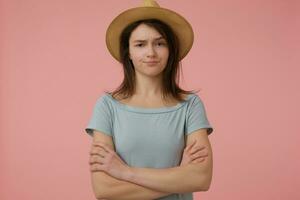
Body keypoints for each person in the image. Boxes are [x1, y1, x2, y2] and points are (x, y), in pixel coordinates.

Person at [85, 0, 214, 199]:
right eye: (140, 44)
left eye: (160, 43)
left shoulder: (190, 105)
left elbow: (201, 179)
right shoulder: (107, 107)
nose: (151, 53)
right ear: (128, 52)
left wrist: (125, 172)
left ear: (170, 50)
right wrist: (180, 176)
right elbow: (104, 190)